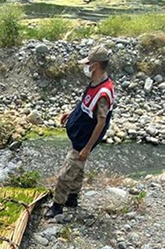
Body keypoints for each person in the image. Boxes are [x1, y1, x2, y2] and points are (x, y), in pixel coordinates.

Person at [46, 44, 115, 218]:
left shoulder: (104, 93)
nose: (86, 66)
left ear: (96, 65)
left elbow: (101, 122)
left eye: (88, 63)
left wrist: (87, 148)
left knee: (64, 175)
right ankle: (72, 198)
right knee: (78, 168)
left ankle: (57, 206)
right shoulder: (95, 83)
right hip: (79, 135)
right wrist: (72, 113)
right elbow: (86, 103)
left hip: (84, 140)